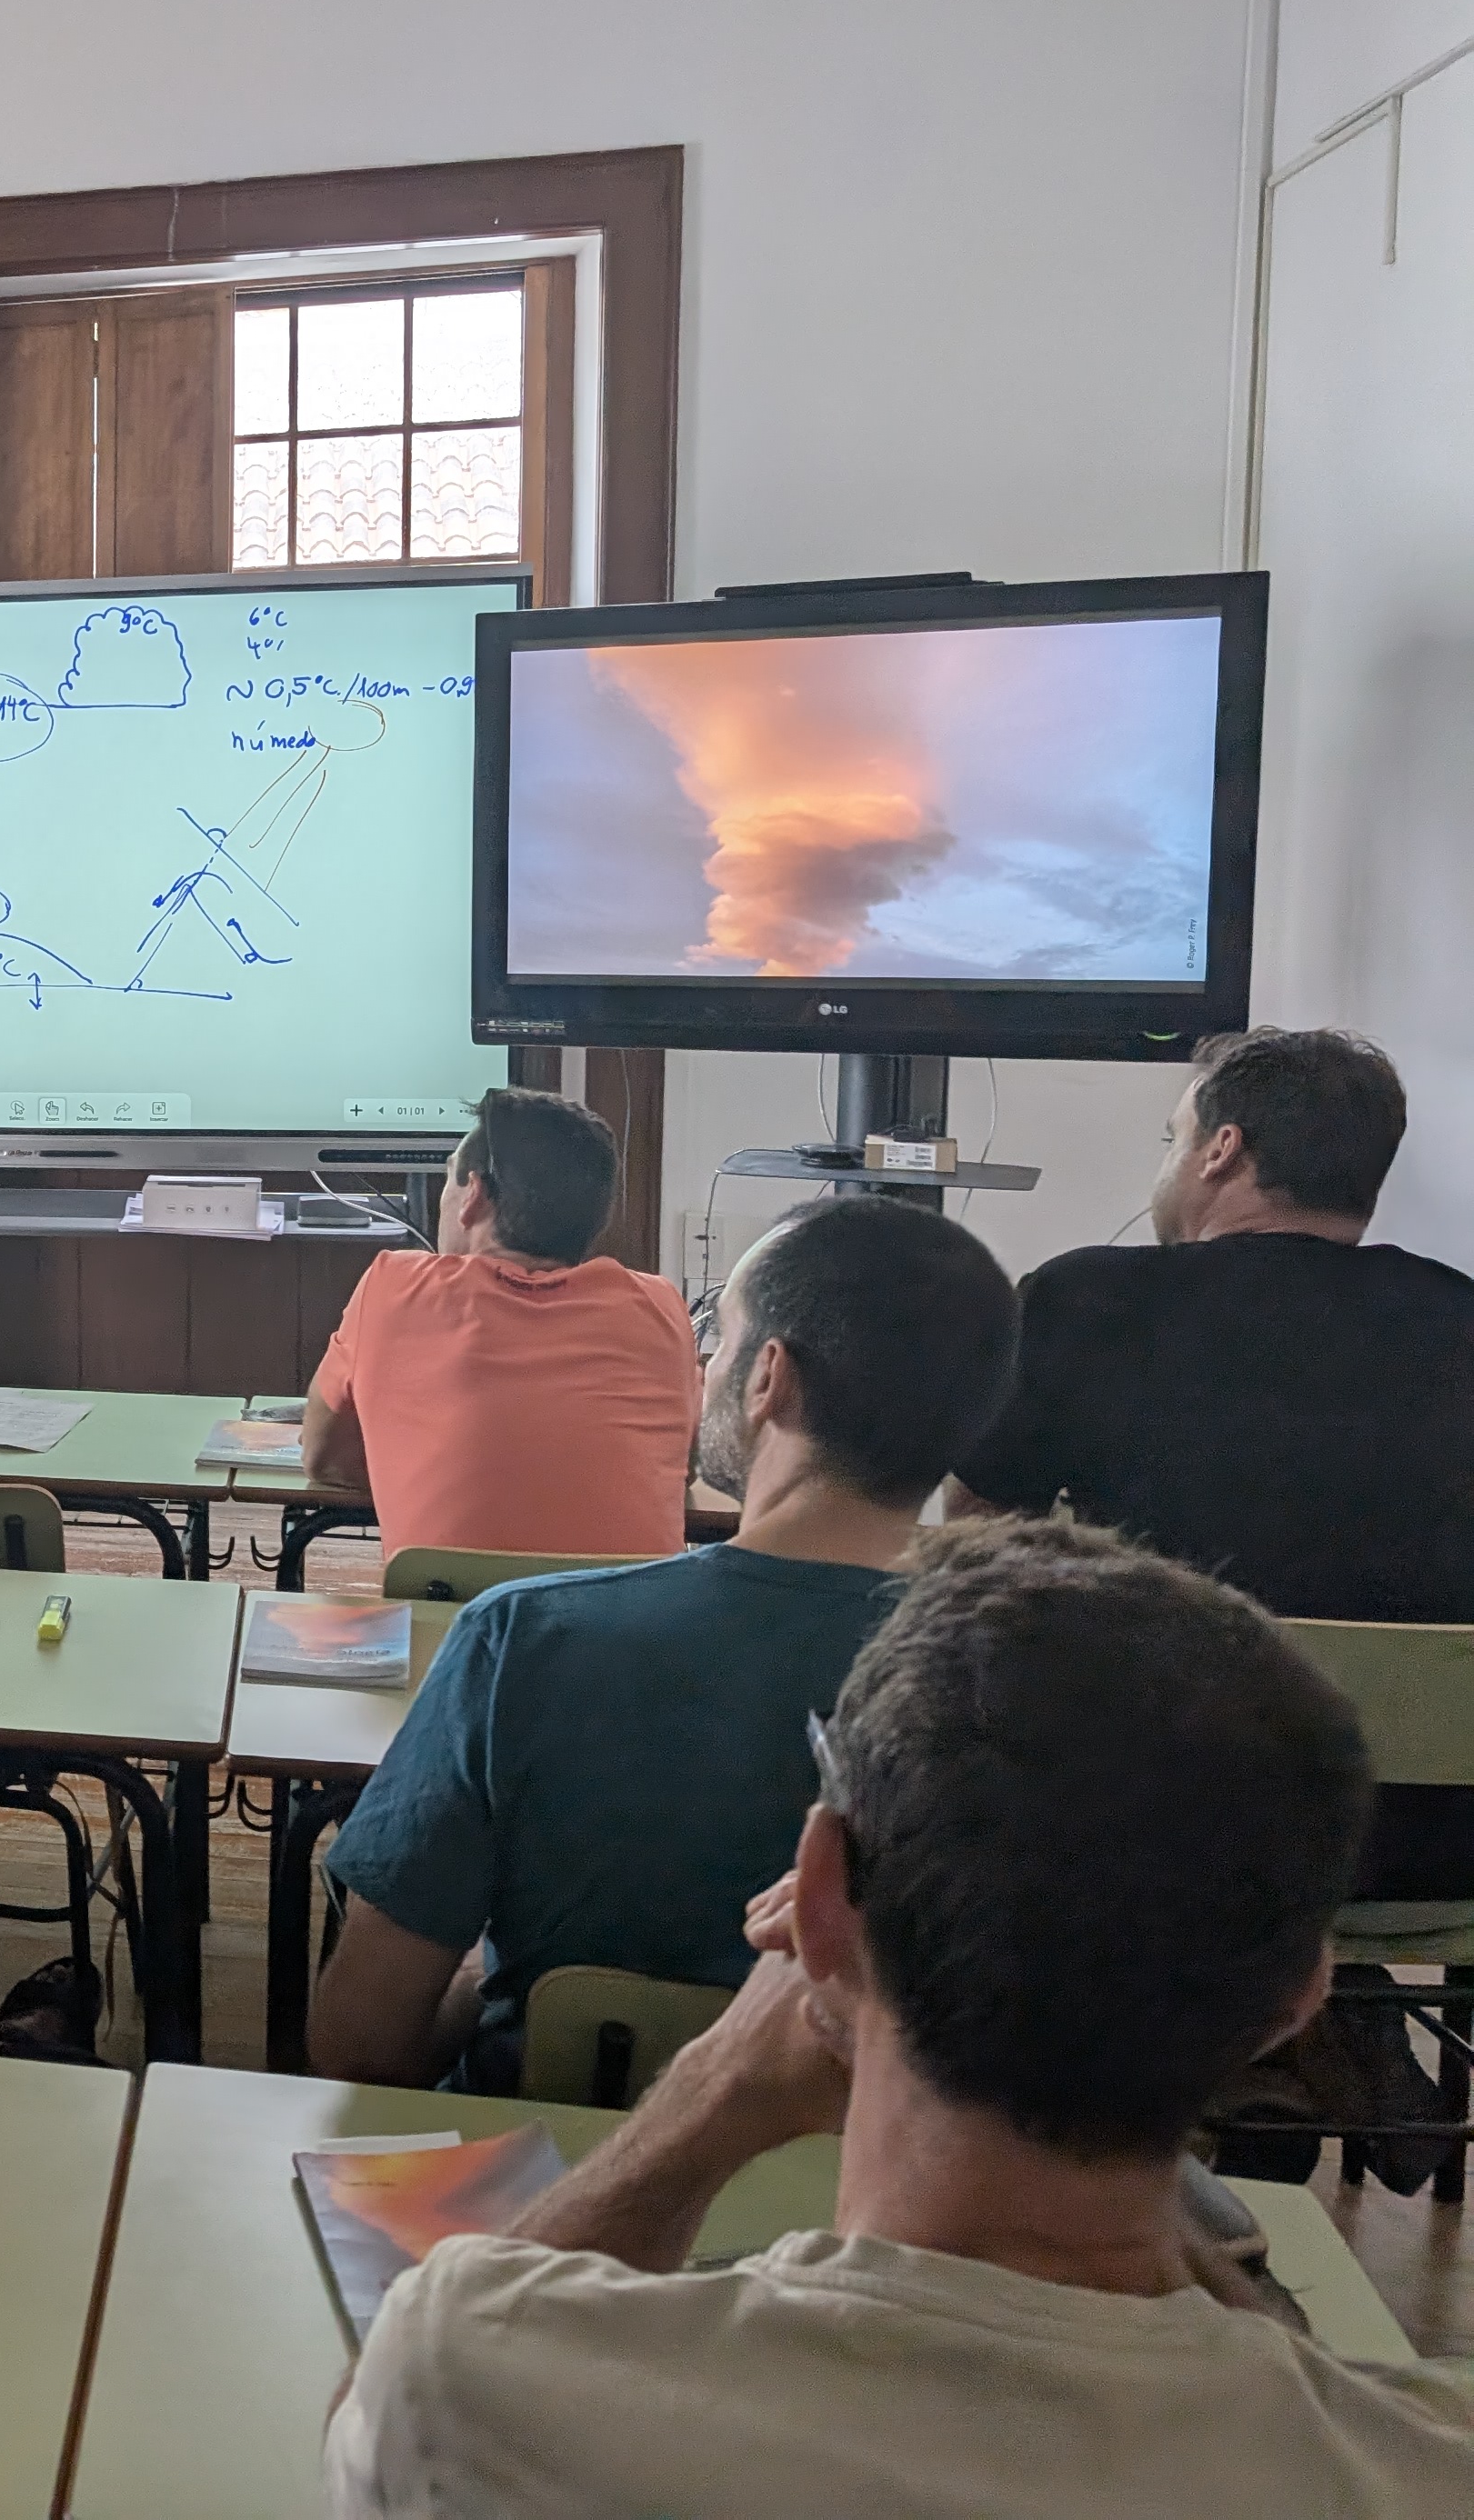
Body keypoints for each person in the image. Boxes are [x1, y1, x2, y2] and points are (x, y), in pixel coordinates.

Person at [324, 1517, 1474, 2517]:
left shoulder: (477, 2379)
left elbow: (361, 2434)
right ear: (1297, 1999)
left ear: (819, 1898)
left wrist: (719, 2088)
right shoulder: (1430, 2468)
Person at [310, 1195, 1017, 2092]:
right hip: (886, 2201)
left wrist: (494, 1987)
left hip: (555, 2176)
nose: (707, 1364)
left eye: (719, 1333)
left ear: (770, 1379)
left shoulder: (526, 1640)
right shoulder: (1035, 1681)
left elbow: (360, 2042)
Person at [954, 1026, 1474, 1900]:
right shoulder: (1462, 1319)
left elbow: (973, 1545)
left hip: (1158, 1830)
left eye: (1173, 1138)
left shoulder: (1087, 1300)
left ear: (1221, 1151)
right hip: (1436, 1847)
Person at [302, 1086, 698, 1561]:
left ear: (473, 1195)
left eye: (448, 1180)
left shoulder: (395, 1285)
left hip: (451, 1626)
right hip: (625, 1625)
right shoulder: (661, 1309)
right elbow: (680, 1467)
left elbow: (324, 1458)